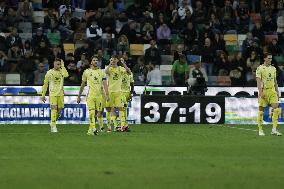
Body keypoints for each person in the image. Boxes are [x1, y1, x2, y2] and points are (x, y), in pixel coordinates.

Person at [77, 56, 109, 135]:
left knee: (97, 113)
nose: (95, 61)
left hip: (99, 96)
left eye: (97, 60)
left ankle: (90, 130)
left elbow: (105, 84)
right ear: (91, 62)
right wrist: (79, 96)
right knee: (91, 112)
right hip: (90, 95)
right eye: (94, 60)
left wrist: (107, 95)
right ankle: (94, 128)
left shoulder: (102, 72)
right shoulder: (86, 72)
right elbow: (82, 85)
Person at [256, 53, 282, 136]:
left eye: (271, 58)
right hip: (264, 91)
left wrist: (277, 91)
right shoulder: (260, 68)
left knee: (277, 109)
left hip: (272, 91)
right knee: (261, 111)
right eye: (269, 58)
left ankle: (274, 129)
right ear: (265, 59)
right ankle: (260, 129)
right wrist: (260, 92)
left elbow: (275, 81)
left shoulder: (273, 68)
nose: (270, 60)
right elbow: (258, 81)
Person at [41, 58, 69, 133]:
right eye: (57, 64)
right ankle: (53, 126)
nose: (58, 65)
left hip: (61, 94)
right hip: (52, 94)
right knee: (54, 109)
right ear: (54, 64)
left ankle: (53, 122)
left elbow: (66, 75)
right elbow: (45, 84)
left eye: (59, 64)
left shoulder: (62, 72)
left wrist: (63, 66)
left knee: (59, 111)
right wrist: (43, 95)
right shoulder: (49, 72)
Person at [105, 56, 131, 132]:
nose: (113, 61)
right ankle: (115, 126)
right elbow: (105, 72)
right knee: (110, 109)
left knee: (121, 108)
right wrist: (109, 64)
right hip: (110, 92)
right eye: (111, 60)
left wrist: (123, 64)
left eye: (114, 60)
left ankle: (123, 126)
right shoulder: (109, 68)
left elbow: (129, 73)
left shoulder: (120, 68)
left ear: (117, 60)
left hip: (119, 92)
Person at [120, 57, 134, 131]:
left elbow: (132, 84)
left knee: (124, 109)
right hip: (120, 93)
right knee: (122, 109)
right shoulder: (119, 72)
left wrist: (131, 93)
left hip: (127, 93)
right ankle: (123, 125)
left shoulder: (129, 73)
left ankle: (124, 125)